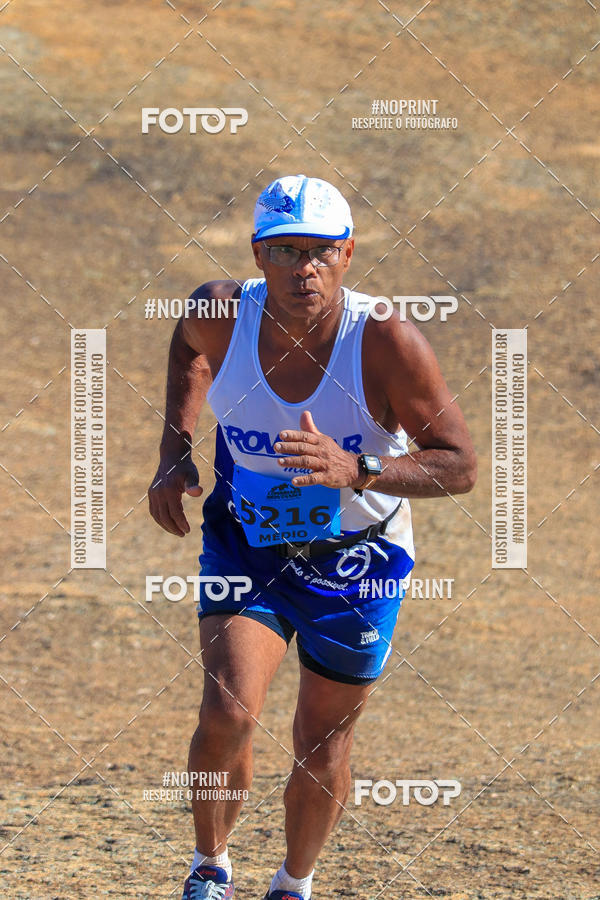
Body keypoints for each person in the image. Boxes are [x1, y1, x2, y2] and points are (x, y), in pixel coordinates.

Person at [148, 174, 477, 900]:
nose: (305, 268)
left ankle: (293, 883)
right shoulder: (220, 311)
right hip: (248, 546)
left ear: (349, 254)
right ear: (258, 256)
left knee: (323, 741)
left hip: (359, 562)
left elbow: (459, 465)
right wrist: (176, 450)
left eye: (322, 252)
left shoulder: (385, 338)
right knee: (226, 710)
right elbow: (188, 349)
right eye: (287, 250)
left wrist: (356, 467)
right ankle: (210, 869)